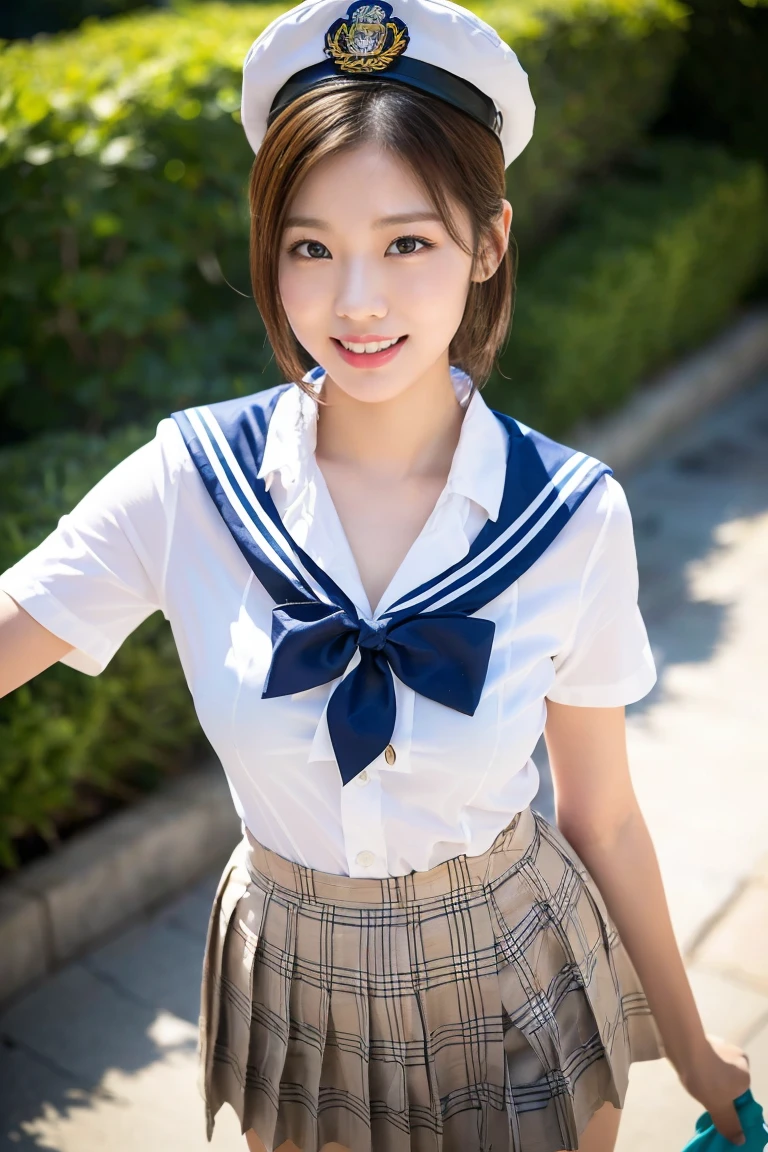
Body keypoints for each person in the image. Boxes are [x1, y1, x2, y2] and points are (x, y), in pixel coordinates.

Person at [0, 0, 753, 1148]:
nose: (354, 301)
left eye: (407, 243)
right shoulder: (191, 483)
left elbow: (602, 814)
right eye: (312, 247)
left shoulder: (569, 516)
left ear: (487, 243)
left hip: (517, 966)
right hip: (291, 993)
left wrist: (694, 1052)